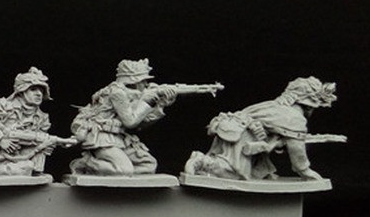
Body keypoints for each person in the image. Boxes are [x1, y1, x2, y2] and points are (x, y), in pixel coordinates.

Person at [184, 76, 342, 182]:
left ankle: (258, 172)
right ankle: (202, 162)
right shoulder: (294, 118)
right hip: (240, 138)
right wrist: (306, 171)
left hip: (231, 131)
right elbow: (297, 150)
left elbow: (273, 138)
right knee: (233, 174)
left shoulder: (273, 105)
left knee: (251, 162)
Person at [67, 58, 178, 176]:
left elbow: (140, 125)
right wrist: (147, 101)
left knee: (148, 165)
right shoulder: (117, 93)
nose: (146, 84)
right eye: (143, 80)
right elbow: (130, 122)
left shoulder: (131, 94)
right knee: (123, 170)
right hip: (103, 138)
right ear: (134, 81)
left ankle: (122, 174)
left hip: (119, 137)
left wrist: (160, 104)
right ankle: (86, 163)